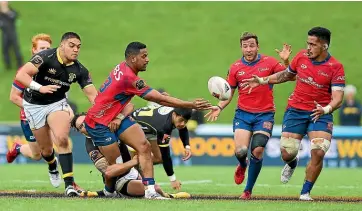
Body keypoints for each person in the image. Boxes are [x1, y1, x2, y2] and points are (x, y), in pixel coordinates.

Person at [84, 41, 211, 199]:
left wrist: (120, 115)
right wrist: (189, 104)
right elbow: (160, 99)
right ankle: (109, 192)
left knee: (144, 146)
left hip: (113, 116)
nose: (147, 59)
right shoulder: (129, 78)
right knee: (117, 168)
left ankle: (150, 191)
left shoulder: (123, 67)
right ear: (132, 59)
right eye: (143, 56)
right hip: (99, 124)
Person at [241, 27, 345, 201]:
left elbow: (338, 98)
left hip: (320, 113)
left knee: (319, 151)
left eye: (313, 44)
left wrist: (326, 109)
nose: (308, 48)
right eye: (308, 43)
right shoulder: (301, 56)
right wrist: (263, 80)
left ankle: (305, 192)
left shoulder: (335, 67)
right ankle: (292, 162)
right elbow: (286, 75)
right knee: (287, 152)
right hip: (296, 110)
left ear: (324, 46)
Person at [205, 32, 291, 200]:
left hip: (264, 115)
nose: (249, 49)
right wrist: (219, 107)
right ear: (241, 48)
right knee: (241, 151)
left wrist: (286, 61)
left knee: (257, 150)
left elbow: (290, 76)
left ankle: (247, 190)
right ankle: (242, 165)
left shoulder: (270, 62)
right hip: (243, 115)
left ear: (258, 46)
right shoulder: (235, 67)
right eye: (245, 46)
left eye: (252, 45)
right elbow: (228, 93)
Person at [14, 32, 98, 197]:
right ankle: (52, 165)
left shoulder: (79, 69)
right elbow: (21, 75)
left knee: (61, 138)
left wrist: (108, 113)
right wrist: (40, 88)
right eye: (72, 46)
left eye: (78, 47)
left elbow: (93, 96)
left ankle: (69, 186)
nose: (76, 50)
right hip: (34, 105)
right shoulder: (45, 57)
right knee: (45, 150)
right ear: (62, 45)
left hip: (56, 104)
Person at [70, 113, 190, 199]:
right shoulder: (91, 145)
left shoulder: (106, 128)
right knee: (155, 188)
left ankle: (105, 194)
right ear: (80, 131)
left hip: (132, 172)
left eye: (85, 122)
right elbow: (108, 172)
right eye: (81, 126)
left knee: (152, 184)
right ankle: (170, 197)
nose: (85, 126)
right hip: (120, 181)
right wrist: (135, 161)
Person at [8, 33, 55, 163]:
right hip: (29, 117)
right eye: (42, 48)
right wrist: (35, 108)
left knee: (53, 145)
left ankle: (65, 177)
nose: (46, 52)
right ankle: (18, 148)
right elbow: (14, 97)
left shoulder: (55, 70)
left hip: (48, 114)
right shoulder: (25, 71)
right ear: (34, 50)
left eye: (48, 49)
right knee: (37, 155)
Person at [130, 105, 193, 190]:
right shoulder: (164, 128)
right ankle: (132, 170)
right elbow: (166, 155)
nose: (183, 124)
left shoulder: (176, 113)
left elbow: (183, 129)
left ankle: (139, 165)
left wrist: (187, 146)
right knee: (135, 159)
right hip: (134, 125)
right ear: (174, 115)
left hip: (150, 128)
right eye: (181, 120)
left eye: (185, 121)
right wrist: (173, 179)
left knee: (158, 158)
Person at [0, 1, 23, 70]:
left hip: (12, 33)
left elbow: (15, 16)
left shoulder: (11, 11)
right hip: (5, 34)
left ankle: (20, 64)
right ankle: (8, 65)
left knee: (16, 49)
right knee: (5, 50)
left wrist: (7, 12)